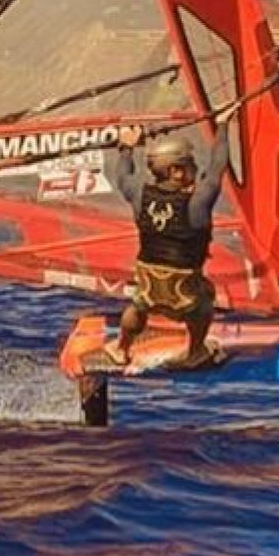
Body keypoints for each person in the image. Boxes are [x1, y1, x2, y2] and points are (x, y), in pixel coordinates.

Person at [104, 104, 240, 369]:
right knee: (206, 297)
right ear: (176, 171)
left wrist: (127, 147)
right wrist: (222, 126)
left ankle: (121, 348)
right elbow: (217, 167)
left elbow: (123, 176)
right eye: (190, 166)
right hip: (184, 300)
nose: (195, 170)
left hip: (149, 291)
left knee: (137, 305)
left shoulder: (139, 195)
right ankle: (195, 351)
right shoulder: (197, 203)